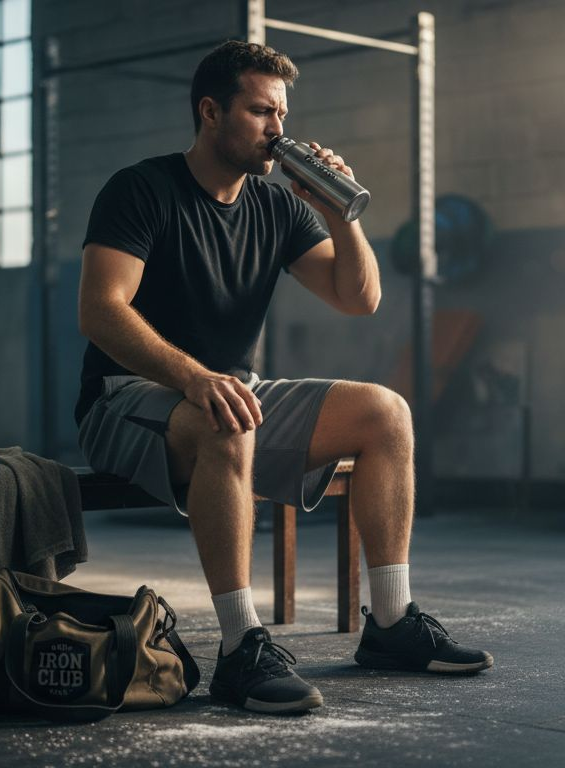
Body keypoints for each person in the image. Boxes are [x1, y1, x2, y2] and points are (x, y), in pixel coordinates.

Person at [75, 40, 492, 715]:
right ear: (211, 112)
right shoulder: (141, 189)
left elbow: (359, 298)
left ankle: (390, 623)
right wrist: (194, 377)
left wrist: (337, 214)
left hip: (228, 395)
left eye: (282, 114)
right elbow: (100, 311)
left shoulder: (277, 208)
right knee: (227, 416)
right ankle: (241, 647)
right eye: (261, 112)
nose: (278, 129)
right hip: (123, 398)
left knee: (386, 412)